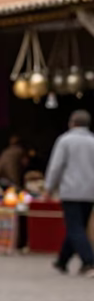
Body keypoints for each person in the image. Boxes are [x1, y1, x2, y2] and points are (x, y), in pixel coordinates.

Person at [46, 109, 94, 276]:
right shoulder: (93, 141)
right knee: (77, 227)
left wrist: (49, 187)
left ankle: (89, 261)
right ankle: (62, 261)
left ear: (72, 123)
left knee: (75, 227)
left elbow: (56, 166)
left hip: (71, 190)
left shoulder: (65, 140)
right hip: (90, 192)